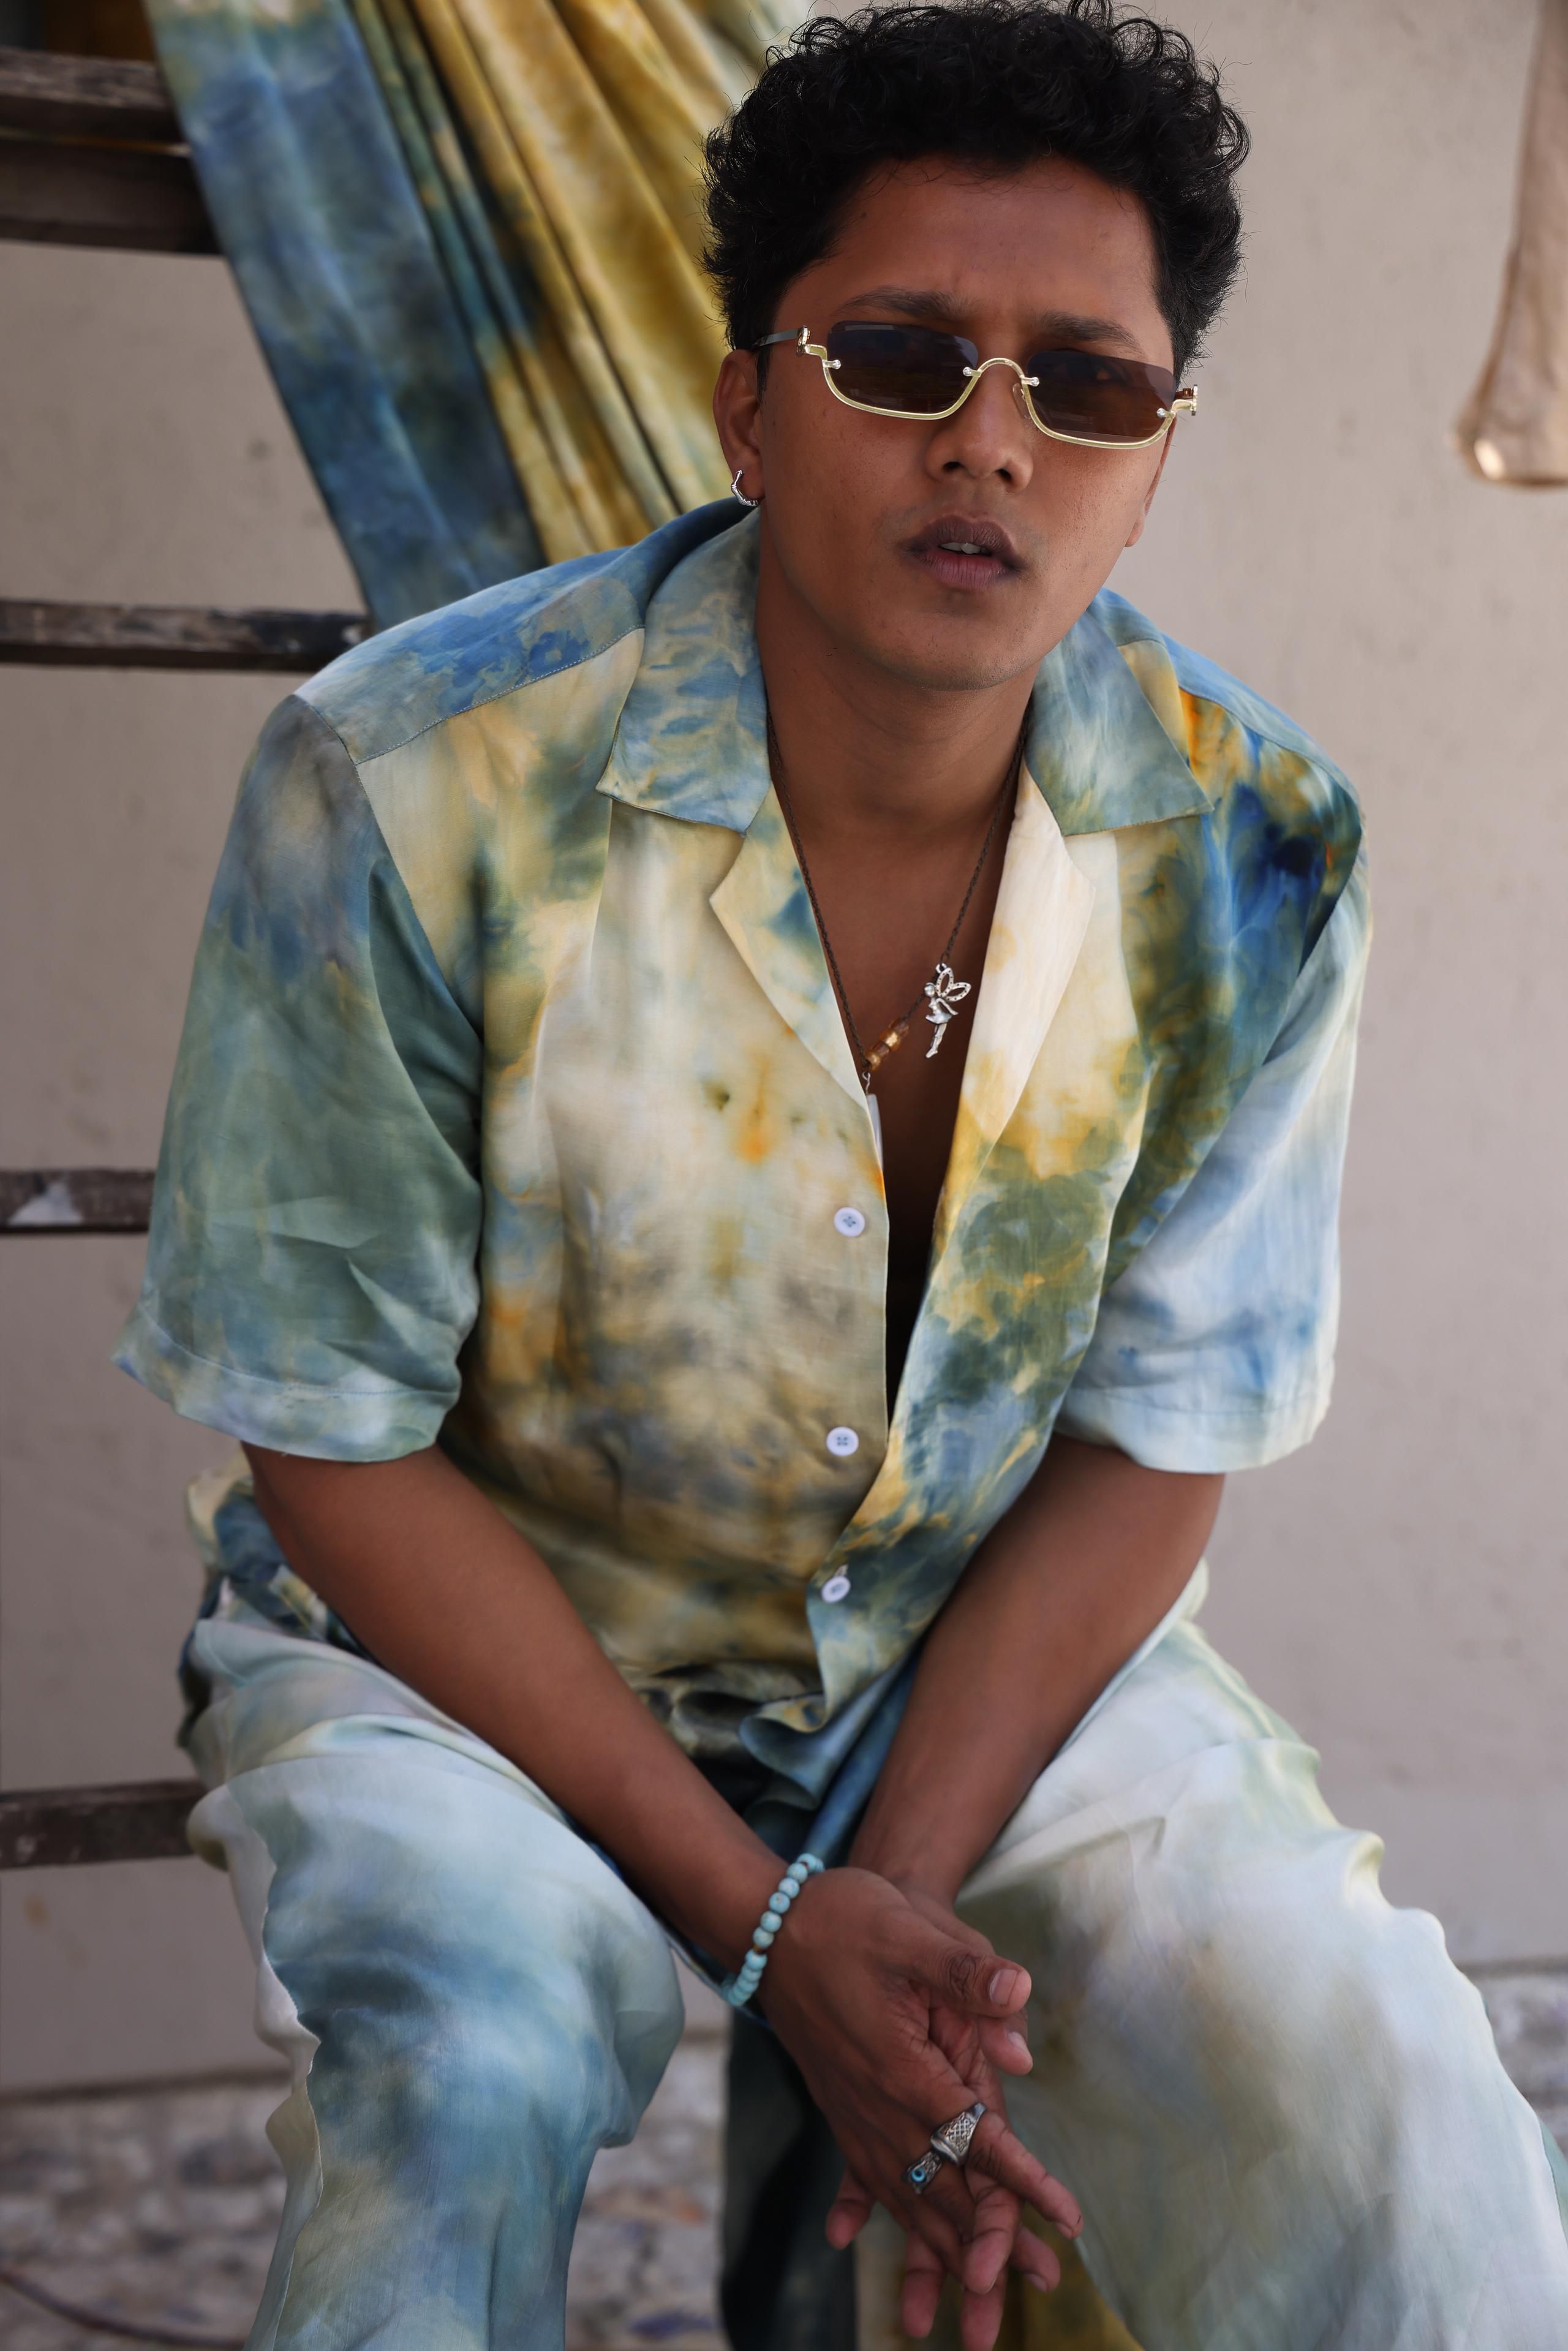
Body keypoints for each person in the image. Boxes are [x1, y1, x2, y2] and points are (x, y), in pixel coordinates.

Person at [116, 4, 1568, 2347]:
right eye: (900, 357)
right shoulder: (406, 782)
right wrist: (773, 1930)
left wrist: (882, 1929)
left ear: (1152, 460)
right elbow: (333, 1440)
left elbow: (1154, 1440)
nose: (992, 440)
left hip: (963, 1661)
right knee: (470, 2074)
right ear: (747, 409)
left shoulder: (1257, 849)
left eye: (1086, 388)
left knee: (1383, 2091)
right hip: (464, 1659)